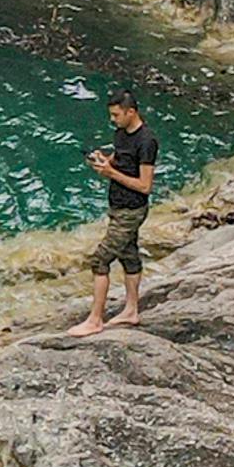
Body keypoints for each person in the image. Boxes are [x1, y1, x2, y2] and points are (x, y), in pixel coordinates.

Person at [74, 87, 158, 333]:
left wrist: (112, 174)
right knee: (129, 256)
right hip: (117, 206)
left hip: (132, 210)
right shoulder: (121, 133)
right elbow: (121, 159)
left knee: (100, 259)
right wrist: (105, 161)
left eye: (116, 115)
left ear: (131, 112)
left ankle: (95, 320)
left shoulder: (147, 141)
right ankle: (131, 311)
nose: (113, 119)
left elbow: (145, 186)